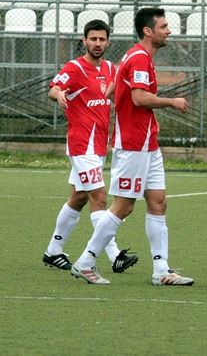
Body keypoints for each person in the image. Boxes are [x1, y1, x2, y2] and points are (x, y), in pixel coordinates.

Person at [70, 8, 193, 286]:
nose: (168, 30)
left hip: (148, 143)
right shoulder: (138, 58)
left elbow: (111, 91)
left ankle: (161, 271)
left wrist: (122, 102)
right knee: (123, 207)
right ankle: (85, 262)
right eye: (163, 26)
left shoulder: (135, 56)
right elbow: (138, 98)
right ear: (149, 31)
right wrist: (172, 102)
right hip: (134, 144)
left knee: (158, 202)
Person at [43, 20, 138, 274]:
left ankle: (53, 251)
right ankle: (114, 254)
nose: (97, 44)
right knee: (99, 196)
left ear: (108, 42)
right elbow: (54, 88)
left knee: (79, 197)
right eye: (93, 39)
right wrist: (59, 94)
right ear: (84, 40)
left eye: (102, 39)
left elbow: (121, 92)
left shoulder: (110, 68)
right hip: (81, 144)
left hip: (98, 146)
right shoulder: (74, 68)